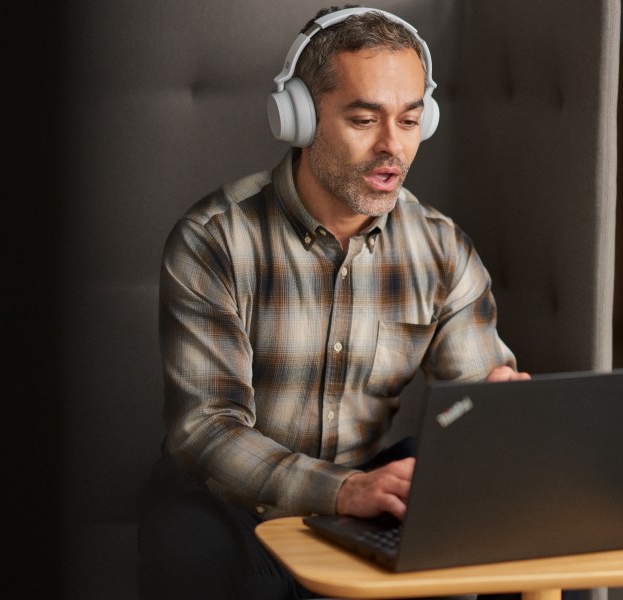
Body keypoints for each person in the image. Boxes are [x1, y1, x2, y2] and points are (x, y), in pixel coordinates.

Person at [138, 6, 535, 599]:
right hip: (230, 501)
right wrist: (341, 490)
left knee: (534, 536)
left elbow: (473, 399)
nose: (390, 148)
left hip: (365, 487)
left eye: (408, 121)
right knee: (197, 552)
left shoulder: (441, 247)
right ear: (298, 118)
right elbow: (207, 431)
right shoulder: (214, 239)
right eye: (363, 119)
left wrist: (494, 415)